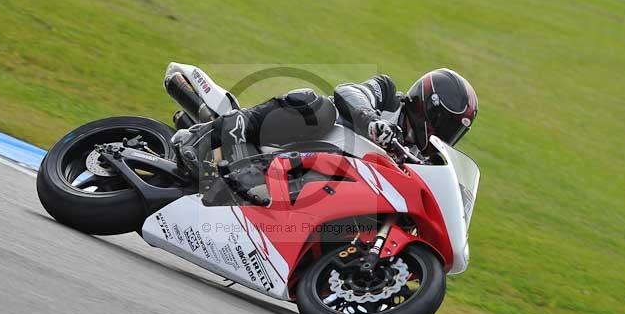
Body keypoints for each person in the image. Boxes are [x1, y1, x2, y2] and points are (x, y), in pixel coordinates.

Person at [172, 68, 478, 176]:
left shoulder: (420, 159)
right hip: (294, 134)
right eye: (445, 124)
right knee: (318, 107)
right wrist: (370, 120)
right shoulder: (387, 96)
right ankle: (198, 138)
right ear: (428, 108)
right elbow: (349, 92)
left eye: (454, 131)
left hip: (319, 178)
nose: (445, 135)